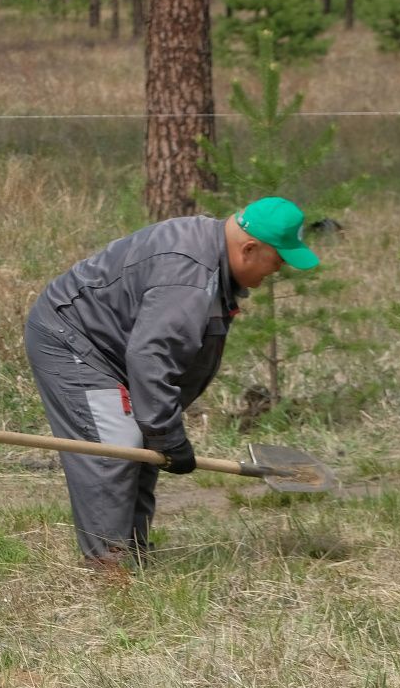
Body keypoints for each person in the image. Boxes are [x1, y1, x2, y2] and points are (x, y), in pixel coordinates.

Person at [23, 197, 322, 567]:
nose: (276, 272)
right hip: (74, 341)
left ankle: (132, 558)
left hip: (116, 349)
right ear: (249, 248)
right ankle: (108, 573)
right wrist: (168, 434)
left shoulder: (213, 261)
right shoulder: (190, 274)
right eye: (277, 261)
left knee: (146, 451)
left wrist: (160, 434)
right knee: (115, 448)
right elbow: (150, 357)